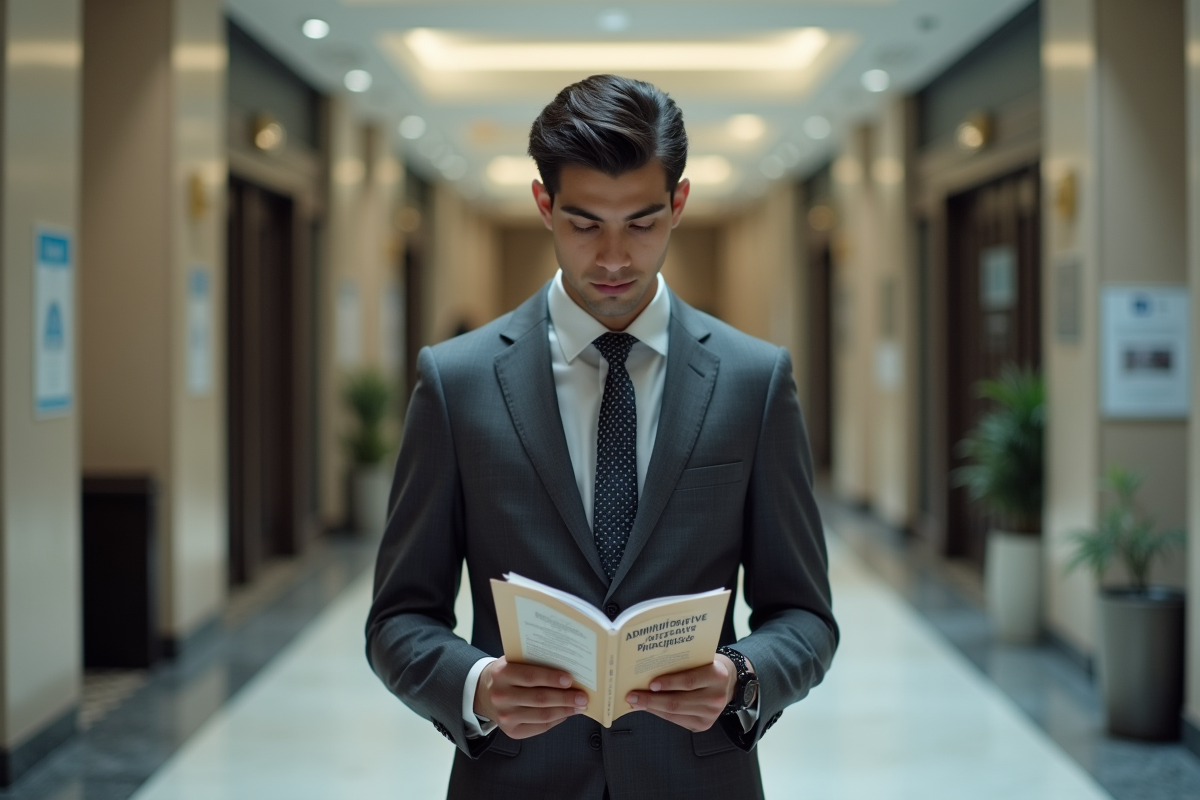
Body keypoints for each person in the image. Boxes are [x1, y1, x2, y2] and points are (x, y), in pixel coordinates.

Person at [366, 74, 838, 800]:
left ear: (678, 205)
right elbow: (398, 618)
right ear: (544, 206)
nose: (614, 258)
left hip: (696, 779)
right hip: (517, 781)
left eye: (642, 223)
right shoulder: (456, 382)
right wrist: (477, 686)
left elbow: (805, 616)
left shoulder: (755, 380)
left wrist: (741, 677)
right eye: (585, 225)